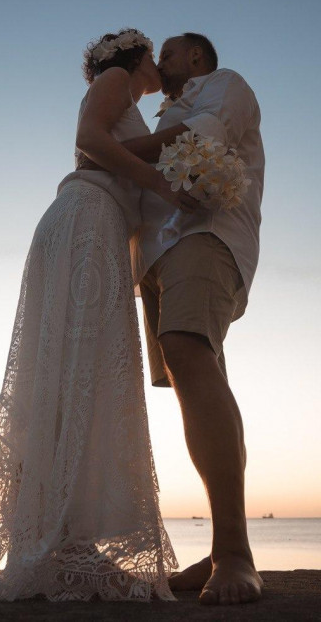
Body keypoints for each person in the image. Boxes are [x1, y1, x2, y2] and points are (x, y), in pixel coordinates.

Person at [0, 29, 197, 603]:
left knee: (78, 377)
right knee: (81, 375)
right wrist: (162, 185)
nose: (156, 63)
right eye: (152, 53)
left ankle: (68, 541)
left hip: (94, 226)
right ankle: (60, 542)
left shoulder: (131, 104)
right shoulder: (116, 81)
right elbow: (89, 139)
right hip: (88, 221)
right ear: (132, 57)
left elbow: (117, 148)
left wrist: (171, 144)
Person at [121, 33, 266, 605]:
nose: (163, 60)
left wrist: (117, 152)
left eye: (172, 51)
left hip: (206, 235)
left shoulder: (224, 86)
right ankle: (220, 546)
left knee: (187, 350)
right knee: (193, 378)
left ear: (197, 58)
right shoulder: (158, 112)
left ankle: (235, 553)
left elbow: (203, 136)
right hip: (153, 257)